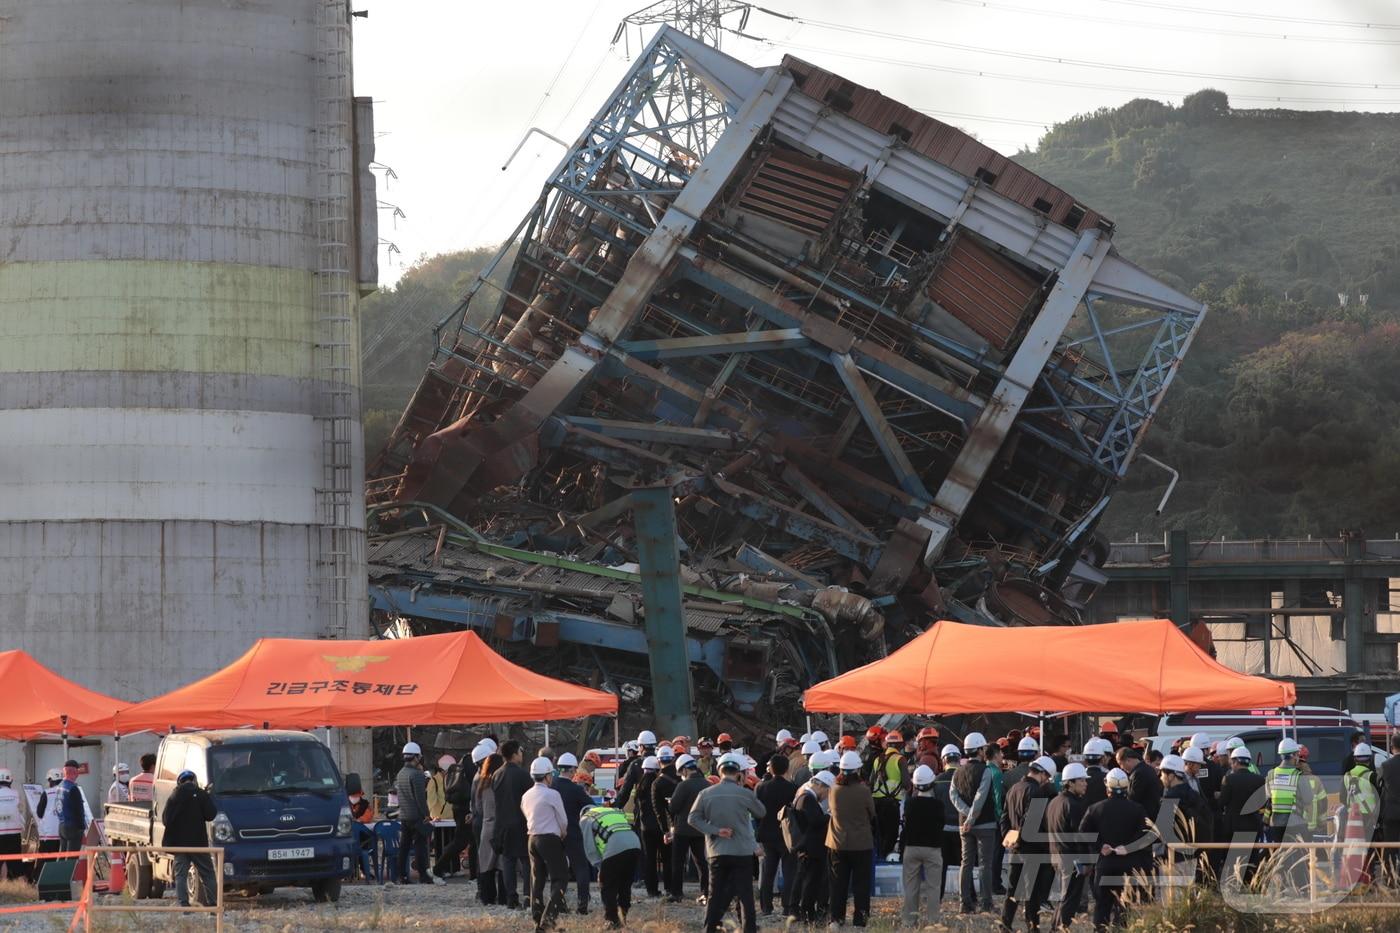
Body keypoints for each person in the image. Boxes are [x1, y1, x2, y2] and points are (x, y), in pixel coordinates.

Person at [688, 752, 766, 933]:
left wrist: (715, 830)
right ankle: (749, 929)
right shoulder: (744, 793)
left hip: (717, 852)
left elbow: (692, 818)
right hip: (742, 852)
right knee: (746, 896)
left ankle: (710, 929)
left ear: (719, 771)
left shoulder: (706, 793)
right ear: (738, 773)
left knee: (715, 895)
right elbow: (761, 812)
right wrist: (745, 786)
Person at [1079, 768, 1151, 931]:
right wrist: (1128, 847)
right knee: (1125, 906)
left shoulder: (1095, 808)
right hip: (1129, 864)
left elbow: (1083, 832)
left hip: (1106, 863)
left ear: (1107, 789)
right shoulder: (1138, 809)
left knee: (1102, 906)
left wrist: (1100, 845)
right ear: (1127, 788)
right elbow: (1146, 834)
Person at [1001, 755, 1058, 932]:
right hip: (1032, 848)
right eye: (1047, 777)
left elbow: (1004, 818)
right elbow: (1031, 823)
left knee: (1012, 890)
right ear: (1042, 774)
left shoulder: (1014, 788)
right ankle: (1033, 927)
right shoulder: (1037, 792)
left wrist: (1008, 838)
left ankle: (1005, 924)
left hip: (1015, 849)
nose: (1046, 781)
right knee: (1031, 892)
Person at [827, 749, 876, 927]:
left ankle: (836, 919)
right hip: (861, 844)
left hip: (837, 843)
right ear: (857, 770)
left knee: (838, 884)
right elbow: (872, 813)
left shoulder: (833, 790)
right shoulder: (863, 790)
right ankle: (859, 921)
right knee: (861, 885)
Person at [951, 732, 998, 914]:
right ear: (979, 750)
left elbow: (953, 796)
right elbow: (981, 796)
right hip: (984, 823)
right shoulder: (985, 770)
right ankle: (986, 903)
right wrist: (972, 817)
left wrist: (966, 817)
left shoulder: (957, 772)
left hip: (964, 825)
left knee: (966, 863)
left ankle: (965, 903)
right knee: (985, 864)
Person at [522, 757, 569, 933]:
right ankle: (547, 921)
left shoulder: (526, 795)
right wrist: (562, 833)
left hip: (532, 839)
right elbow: (563, 820)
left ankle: (537, 918)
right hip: (550, 839)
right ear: (547, 776)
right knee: (559, 879)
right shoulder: (552, 794)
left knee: (537, 880)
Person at [162, 769, 217, 908]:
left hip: (180, 845)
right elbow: (211, 815)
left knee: (181, 876)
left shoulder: (174, 796)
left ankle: (184, 905)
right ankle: (213, 905)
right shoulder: (200, 794)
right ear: (194, 780)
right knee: (208, 875)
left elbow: (165, 819)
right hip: (199, 843)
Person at [1265, 738, 1315, 890]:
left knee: (1280, 857)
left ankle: (1281, 887)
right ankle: (1303, 888)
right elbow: (1308, 799)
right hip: (1296, 823)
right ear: (1293, 755)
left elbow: (1268, 796)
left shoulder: (1271, 774)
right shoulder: (1298, 775)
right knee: (1300, 856)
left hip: (1276, 824)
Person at [581, 803, 641, 929]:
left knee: (607, 885)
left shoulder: (586, 818)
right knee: (625, 883)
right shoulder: (611, 811)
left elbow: (590, 848)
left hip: (615, 846)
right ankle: (623, 917)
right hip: (635, 844)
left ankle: (612, 921)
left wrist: (599, 867)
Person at [1047, 761, 1092, 931]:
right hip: (1071, 857)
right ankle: (1061, 928)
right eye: (1082, 780)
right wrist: (1086, 861)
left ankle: (1054, 927)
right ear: (1070, 782)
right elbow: (1080, 836)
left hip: (1057, 854)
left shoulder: (1055, 802)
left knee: (1064, 896)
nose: (1085, 783)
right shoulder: (1074, 805)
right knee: (1070, 897)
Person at [899, 764, 943, 928]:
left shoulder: (910, 804)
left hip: (912, 847)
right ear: (932, 783)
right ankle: (933, 921)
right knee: (933, 887)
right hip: (932, 848)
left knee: (911, 887)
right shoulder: (938, 805)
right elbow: (941, 825)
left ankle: (909, 921)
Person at [395, 741, 443, 886]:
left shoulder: (400, 773)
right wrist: (427, 815)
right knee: (420, 848)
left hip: (404, 816)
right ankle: (423, 876)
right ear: (416, 757)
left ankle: (401, 876)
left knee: (404, 848)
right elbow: (420, 798)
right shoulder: (417, 774)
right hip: (416, 817)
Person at [755, 753, 797, 917]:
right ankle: (787, 906)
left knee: (767, 872)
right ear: (787, 769)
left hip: (766, 834)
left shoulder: (760, 787)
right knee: (789, 872)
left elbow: (756, 812)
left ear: (770, 769)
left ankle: (766, 906)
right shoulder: (792, 788)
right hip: (786, 835)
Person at [494, 740, 534, 908]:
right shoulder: (523, 775)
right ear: (515, 754)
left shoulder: (496, 774)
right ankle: (527, 896)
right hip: (521, 823)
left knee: (508, 862)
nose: (522, 755)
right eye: (520, 751)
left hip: (502, 824)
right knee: (526, 861)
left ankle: (511, 898)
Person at [1217, 745, 1265, 885]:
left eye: (1232, 762)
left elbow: (1222, 802)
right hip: (1253, 824)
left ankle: (1234, 884)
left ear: (1236, 762)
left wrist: (1219, 796)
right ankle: (1252, 884)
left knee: (1234, 858)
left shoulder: (1229, 780)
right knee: (1252, 856)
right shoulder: (1259, 780)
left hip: (1233, 825)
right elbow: (1262, 803)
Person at [552, 753, 593, 914]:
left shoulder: (551, 785)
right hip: (573, 833)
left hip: (554, 833)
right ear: (573, 770)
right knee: (581, 867)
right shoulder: (575, 789)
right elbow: (591, 806)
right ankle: (582, 905)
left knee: (558, 870)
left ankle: (559, 903)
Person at [791, 770, 834, 923]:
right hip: (812, 848)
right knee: (811, 882)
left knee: (805, 879)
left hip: (805, 846)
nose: (827, 795)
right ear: (821, 786)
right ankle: (807, 913)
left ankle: (801, 910)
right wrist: (829, 815)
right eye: (828, 791)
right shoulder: (808, 799)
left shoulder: (801, 797)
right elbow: (815, 821)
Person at [666, 753, 710, 902]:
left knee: (677, 862)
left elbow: (673, 807)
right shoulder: (707, 784)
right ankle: (706, 891)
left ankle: (676, 893)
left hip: (683, 830)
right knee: (701, 862)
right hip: (700, 830)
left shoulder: (683, 785)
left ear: (684, 770)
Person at [1158, 754, 1201, 890]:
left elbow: (1163, 829)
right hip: (1193, 851)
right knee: (1188, 894)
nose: (1160, 777)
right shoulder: (1194, 794)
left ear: (1171, 776)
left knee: (1173, 895)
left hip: (1174, 854)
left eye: (1162, 773)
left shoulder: (1169, 797)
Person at [433, 750, 475, 880]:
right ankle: (437, 869)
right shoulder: (472, 769)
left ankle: (440, 869)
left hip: (455, 811)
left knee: (461, 842)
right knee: (462, 842)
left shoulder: (459, 768)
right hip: (463, 811)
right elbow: (432, 801)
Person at [867, 729, 907, 859]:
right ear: (900, 745)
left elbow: (871, 782)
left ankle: (877, 859)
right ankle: (886, 859)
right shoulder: (900, 759)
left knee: (878, 835)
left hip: (876, 802)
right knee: (890, 836)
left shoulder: (878, 759)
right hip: (891, 804)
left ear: (887, 744)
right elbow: (906, 783)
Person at [932, 744, 962, 899]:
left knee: (941, 867)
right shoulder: (965, 779)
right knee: (966, 866)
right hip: (962, 829)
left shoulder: (937, 781)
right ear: (959, 759)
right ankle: (968, 899)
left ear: (943, 760)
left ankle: (937, 897)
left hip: (943, 830)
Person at [633, 754, 665, 897]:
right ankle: (667, 886)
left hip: (645, 828)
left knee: (649, 859)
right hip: (659, 826)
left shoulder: (640, 787)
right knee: (665, 857)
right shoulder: (658, 785)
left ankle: (651, 889)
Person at [475, 751, 504, 904]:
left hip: (487, 826)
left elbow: (478, 807)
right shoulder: (501, 783)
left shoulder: (482, 784)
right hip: (500, 826)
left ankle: (487, 897)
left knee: (486, 865)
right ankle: (504, 898)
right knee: (502, 865)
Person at [615, 730, 658, 811]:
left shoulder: (636, 764)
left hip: (643, 810)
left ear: (641, 747)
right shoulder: (660, 762)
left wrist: (615, 806)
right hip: (661, 810)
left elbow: (625, 791)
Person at [1380, 735, 1400, 884]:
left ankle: (1391, 880)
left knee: (1390, 849)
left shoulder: (1386, 766)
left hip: (1391, 814)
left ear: (1392, 748)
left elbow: (1378, 786)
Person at [56, 760, 87, 854]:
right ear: (75, 772)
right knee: (72, 858)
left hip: (62, 825)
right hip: (73, 827)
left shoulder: (60, 786)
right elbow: (79, 810)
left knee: (62, 855)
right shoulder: (73, 788)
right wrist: (82, 827)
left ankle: (60, 868)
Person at [34, 769, 62, 854]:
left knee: (45, 860)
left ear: (51, 780)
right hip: (62, 833)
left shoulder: (47, 793)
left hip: (48, 833)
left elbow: (39, 813)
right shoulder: (66, 791)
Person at [0, 769, 21, 882]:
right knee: (15, 861)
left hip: (0, 833)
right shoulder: (15, 794)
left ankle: (4, 885)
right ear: (10, 781)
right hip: (14, 833)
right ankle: (20, 887)